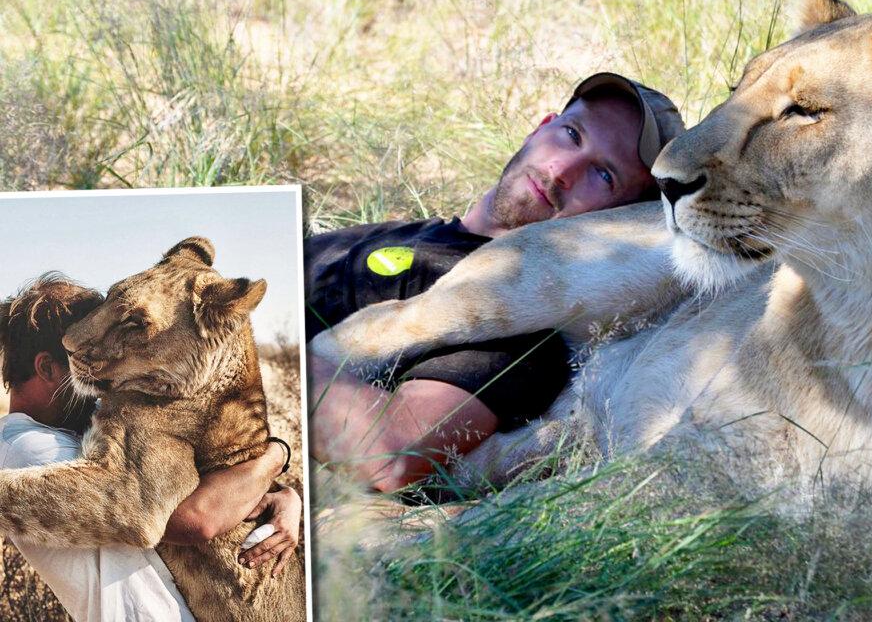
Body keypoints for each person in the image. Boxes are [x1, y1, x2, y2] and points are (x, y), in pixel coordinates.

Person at [307, 72, 685, 492]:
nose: (561, 170)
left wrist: (267, 348)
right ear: (541, 126)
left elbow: (385, 454)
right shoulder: (393, 232)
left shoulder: (514, 324)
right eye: (571, 134)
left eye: (604, 175)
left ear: (613, 221)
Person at [0, 273, 302, 622]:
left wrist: (283, 494)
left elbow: (190, 480)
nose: (106, 389)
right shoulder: (26, 451)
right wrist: (273, 458)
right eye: (87, 373)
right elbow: (196, 517)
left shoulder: (71, 426)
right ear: (47, 368)